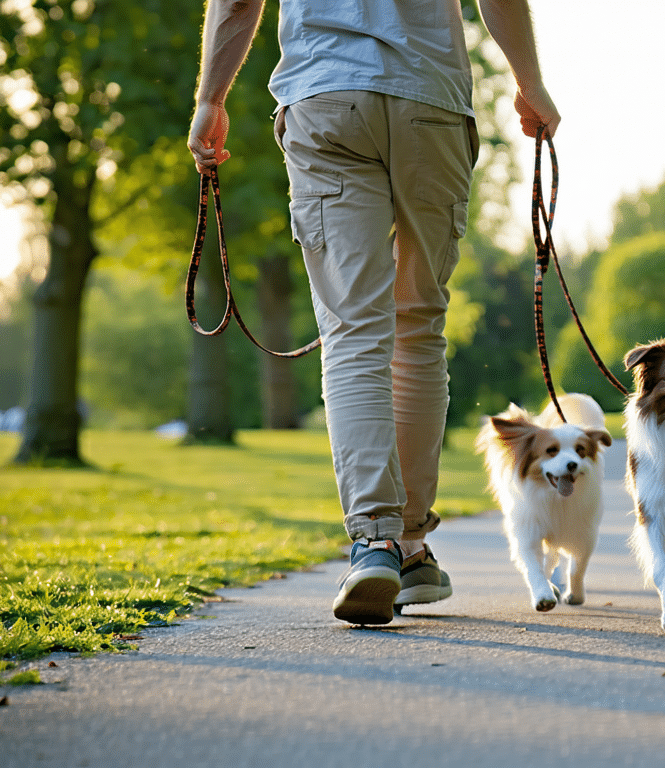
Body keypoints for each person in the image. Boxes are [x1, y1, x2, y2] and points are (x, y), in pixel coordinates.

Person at [188, 0, 560, 625]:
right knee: (417, 327)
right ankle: (411, 545)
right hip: (431, 100)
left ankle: (375, 542)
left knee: (354, 333)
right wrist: (531, 84)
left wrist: (211, 98)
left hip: (325, 94)